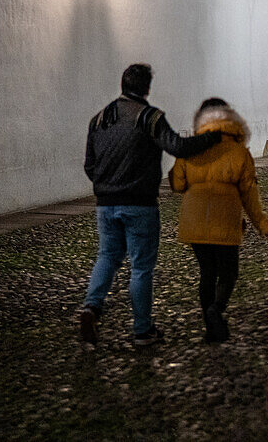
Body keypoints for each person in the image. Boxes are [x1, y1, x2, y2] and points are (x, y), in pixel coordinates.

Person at [79, 64, 223, 346]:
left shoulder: (98, 119)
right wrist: (211, 138)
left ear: (122, 85)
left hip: (105, 204)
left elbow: (89, 165)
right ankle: (142, 329)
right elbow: (177, 147)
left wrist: (106, 185)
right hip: (140, 204)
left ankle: (91, 306)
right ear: (147, 88)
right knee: (141, 268)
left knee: (107, 256)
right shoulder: (150, 118)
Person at [169, 98, 268, 342]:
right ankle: (216, 309)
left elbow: (177, 183)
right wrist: (263, 224)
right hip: (226, 220)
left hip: (194, 220)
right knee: (228, 273)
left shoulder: (191, 149)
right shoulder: (240, 153)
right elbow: (249, 195)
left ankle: (210, 327)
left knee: (207, 272)